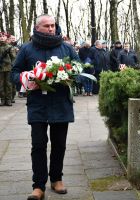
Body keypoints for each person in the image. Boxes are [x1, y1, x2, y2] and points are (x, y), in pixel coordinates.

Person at [11, 14, 79, 200]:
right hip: (38, 105)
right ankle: (38, 186)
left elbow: (79, 69)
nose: (51, 29)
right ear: (37, 27)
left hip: (61, 104)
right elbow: (14, 73)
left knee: (59, 144)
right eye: (47, 26)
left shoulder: (66, 47)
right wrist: (27, 80)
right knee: (38, 145)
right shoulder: (27, 49)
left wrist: (70, 77)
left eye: (53, 25)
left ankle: (56, 179)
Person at [0, 32, 15, 106]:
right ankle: (2, 100)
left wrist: (13, 66)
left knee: (8, 84)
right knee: (1, 85)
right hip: (0, 68)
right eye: (0, 36)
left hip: (8, 68)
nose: (2, 37)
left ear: (6, 38)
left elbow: (13, 58)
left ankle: (8, 99)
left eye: (3, 36)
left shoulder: (9, 47)